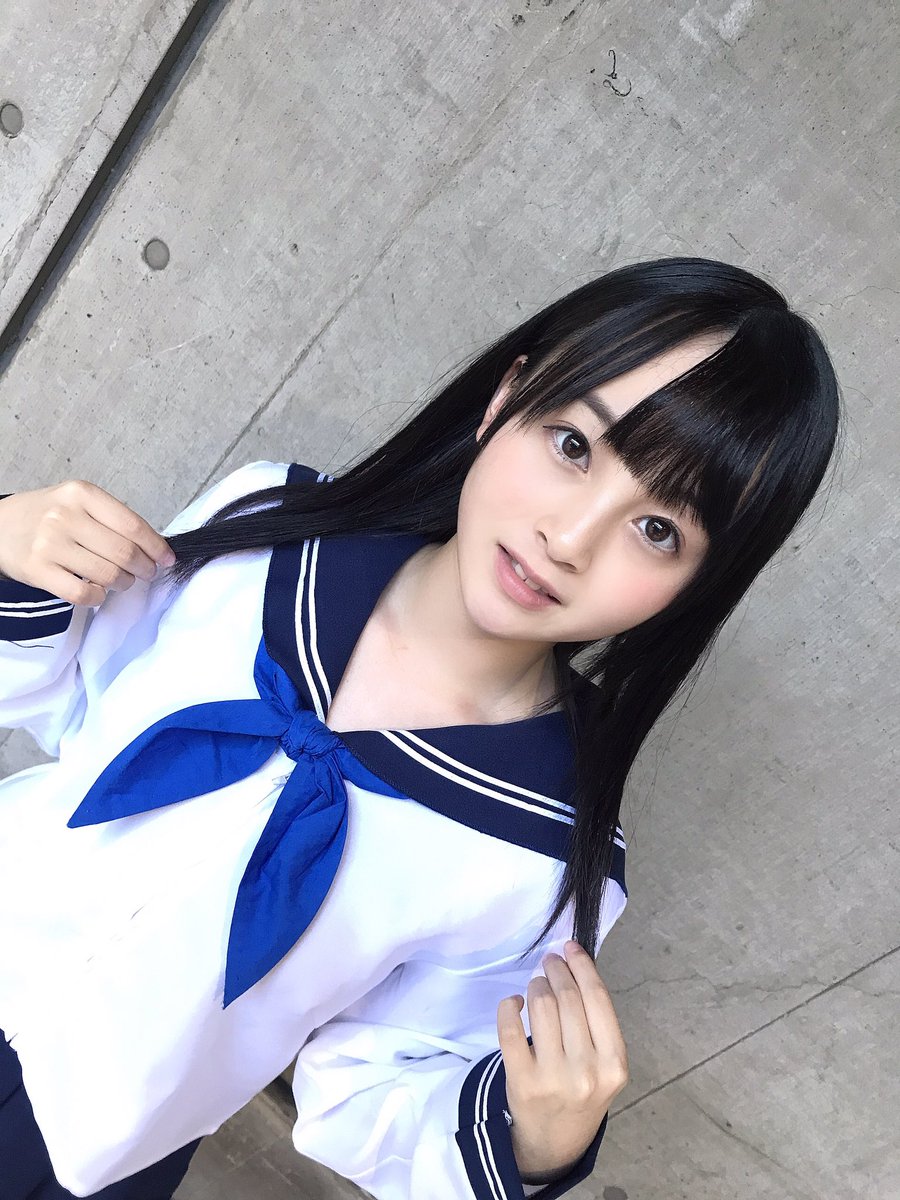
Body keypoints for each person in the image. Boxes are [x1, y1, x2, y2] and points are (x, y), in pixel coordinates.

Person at [0, 256, 841, 1199]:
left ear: (697, 585)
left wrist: (536, 1142)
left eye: (659, 530)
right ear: (508, 396)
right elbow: (68, 697)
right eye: (573, 445)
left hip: (75, 1158)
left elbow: (373, 1091)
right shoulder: (273, 524)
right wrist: (15, 557)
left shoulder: (541, 855)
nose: (570, 538)